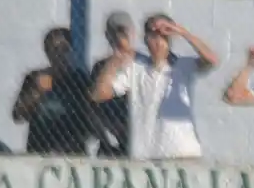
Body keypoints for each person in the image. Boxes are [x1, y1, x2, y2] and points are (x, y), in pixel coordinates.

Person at [91, 14, 218, 160]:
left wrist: (182, 32)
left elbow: (211, 60)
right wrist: (116, 60)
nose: (158, 42)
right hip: (146, 156)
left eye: (163, 37)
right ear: (145, 39)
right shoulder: (135, 68)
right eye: (153, 36)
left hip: (183, 154)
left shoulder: (183, 66)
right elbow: (98, 94)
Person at [11, 27, 94, 156]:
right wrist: (37, 92)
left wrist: (69, 145)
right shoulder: (35, 77)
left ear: (71, 51)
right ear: (47, 53)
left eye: (65, 49)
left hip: (72, 153)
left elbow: (91, 122)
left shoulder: (80, 80)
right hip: (39, 151)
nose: (60, 54)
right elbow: (18, 116)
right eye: (54, 49)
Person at [92, 11, 133, 157]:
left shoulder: (141, 64)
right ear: (107, 35)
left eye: (123, 32)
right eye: (114, 33)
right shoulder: (101, 67)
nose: (119, 37)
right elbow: (93, 104)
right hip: (110, 131)